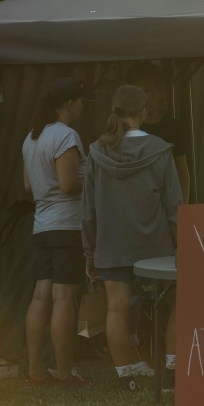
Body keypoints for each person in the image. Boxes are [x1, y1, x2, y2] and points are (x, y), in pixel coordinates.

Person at [81, 84, 182, 390]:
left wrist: (90, 252)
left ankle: (126, 376)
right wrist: (183, 246)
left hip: (112, 245)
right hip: (158, 247)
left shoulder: (96, 152)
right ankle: (172, 374)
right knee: (178, 302)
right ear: (144, 112)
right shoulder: (161, 150)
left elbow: (88, 210)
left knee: (116, 309)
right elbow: (175, 206)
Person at [22, 77, 91, 388]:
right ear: (68, 104)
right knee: (64, 298)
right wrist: (93, 182)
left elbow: (28, 186)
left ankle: (36, 371)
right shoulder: (66, 135)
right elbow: (68, 184)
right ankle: (65, 374)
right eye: (80, 101)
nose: (82, 106)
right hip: (66, 226)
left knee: (41, 296)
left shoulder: (31, 137)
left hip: (42, 226)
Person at [126, 63, 192, 204]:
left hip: (166, 201)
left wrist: (183, 206)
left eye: (147, 91)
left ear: (160, 91)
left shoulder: (173, 127)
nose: (142, 98)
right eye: (137, 92)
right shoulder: (125, 129)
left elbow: (182, 170)